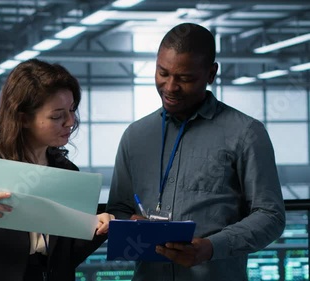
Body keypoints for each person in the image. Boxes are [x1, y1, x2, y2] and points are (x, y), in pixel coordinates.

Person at [106, 23, 286, 281]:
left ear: (211, 73)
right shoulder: (135, 135)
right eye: (162, 73)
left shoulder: (246, 133)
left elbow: (271, 216)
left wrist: (212, 248)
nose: (170, 87)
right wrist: (130, 223)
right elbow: (119, 207)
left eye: (185, 78)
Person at [0, 58, 113, 281]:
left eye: (72, 110)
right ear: (23, 118)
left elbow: (65, 257)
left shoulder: (67, 171)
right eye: (57, 115)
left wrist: (97, 229)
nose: (70, 122)